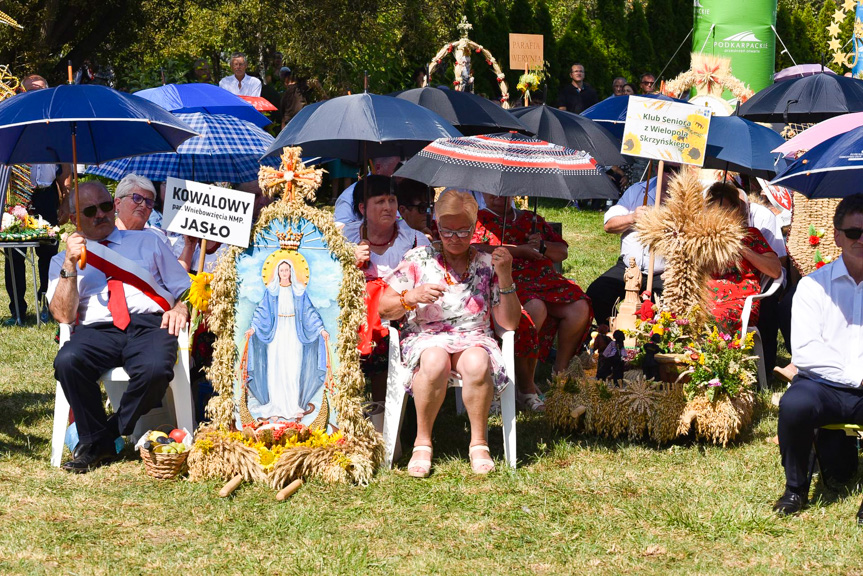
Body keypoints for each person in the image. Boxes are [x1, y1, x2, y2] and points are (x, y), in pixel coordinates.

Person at [48, 181, 190, 473]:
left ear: (114, 206)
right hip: (97, 330)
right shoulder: (61, 261)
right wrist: (71, 266)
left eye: (105, 206)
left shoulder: (147, 242)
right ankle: (97, 438)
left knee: (155, 370)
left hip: (150, 325)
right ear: (75, 218)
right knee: (68, 361)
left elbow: (185, 288)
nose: (100, 214)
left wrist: (180, 306)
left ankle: (104, 437)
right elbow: (63, 315)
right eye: (90, 210)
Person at [379, 190, 520, 477]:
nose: (454, 237)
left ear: (475, 225)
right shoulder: (418, 259)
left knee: (477, 363)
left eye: (462, 231)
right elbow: (384, 308)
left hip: (474, 336)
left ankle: (479, 443)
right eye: (446, 230)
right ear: (436, 225)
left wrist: (505, 276)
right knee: (434, 361)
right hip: (426, 336)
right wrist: (412, 296)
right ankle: (422, 442)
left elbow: (509, 322)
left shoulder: (485, 262)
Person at [773, 194, 863, 519]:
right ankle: (795, 490)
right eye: (854, 232)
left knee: (841, 467)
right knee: (795, 404)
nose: (861, 240)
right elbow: (806, 352)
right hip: (824, 385)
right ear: (837, 236)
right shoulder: (813, 286)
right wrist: (856, 376)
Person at [472, 193, 593, 412]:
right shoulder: (479, 220)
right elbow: (475, 251)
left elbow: (562, 252)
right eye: (491, 193)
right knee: (534, 308)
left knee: (579, 306)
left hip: (544, 279)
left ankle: (559, 375)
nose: (497, 197)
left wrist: (543, 246)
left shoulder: (531, 219)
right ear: (483, 193)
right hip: (508, 280)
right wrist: (518, 251)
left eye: (502, 193)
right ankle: (521, 383)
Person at [343, 176, 430, 400]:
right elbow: (326, 278)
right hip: (354, 313)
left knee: (389, 338)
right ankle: (346, 406)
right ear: (363, 208)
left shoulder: (415, 240)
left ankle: (384, 412)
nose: (388, 207)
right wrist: (347, 260)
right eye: (380, 201)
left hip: (402, 314)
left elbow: (427, 278)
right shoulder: (344, 238)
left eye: (392, 200)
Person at [3, 75, 70, 325]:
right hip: (18, 195)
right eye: (29, 90)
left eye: (40, 90)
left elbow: (65, 168)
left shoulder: (54, 124)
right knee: (14, 256)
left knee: (49, 255)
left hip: (46, 196)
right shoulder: (12, 121)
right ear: (21, 92)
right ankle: (17, 311)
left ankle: (47, 304)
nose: (34, 94)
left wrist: (65, 199)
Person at [586, 167, 677, 327]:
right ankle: (610, 333)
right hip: (629, 267)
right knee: (597, 293)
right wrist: (632, 218)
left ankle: (652, 342)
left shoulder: (686, 199)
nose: (674, 174)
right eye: (669, 169)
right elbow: (609, 226)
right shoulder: (638, 190)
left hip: (663, 272)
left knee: (668, 309)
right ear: (658, 168)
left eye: (678, 169)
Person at [244, 259, 328, 421]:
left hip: (293, 333)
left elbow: (309, 312)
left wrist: (320, 329)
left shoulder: (299, 292)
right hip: (277, 334)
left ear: (291, 272)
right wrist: (253, 328)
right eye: (281, 270)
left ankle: (292, 405)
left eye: (286, 270)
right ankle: (275, 405)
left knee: (292, 368)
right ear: (277, 272)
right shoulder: (271, 292)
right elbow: (262, 311)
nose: (284, 273)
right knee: (275, 368)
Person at [704, 182, 781, 334]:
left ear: (735, 210)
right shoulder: (700, 237)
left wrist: (742, 249)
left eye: (723, 211)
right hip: (704, 297)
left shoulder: (751, 236)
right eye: (712, 211)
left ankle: (715, 355)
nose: (718, 217)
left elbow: (775, 270)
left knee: (714, 318)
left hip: (737, 301)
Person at [334, 156, 401, 226]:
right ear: (378, 168)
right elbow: (340, 229)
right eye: (396, 170)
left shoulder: (397, 189)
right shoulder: (349, 196)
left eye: (391, 201)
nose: (388, 208)